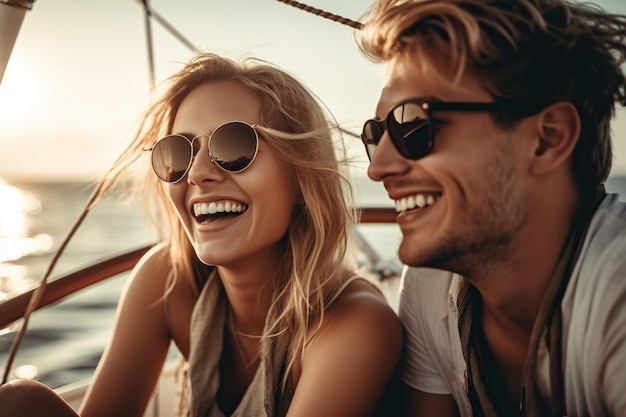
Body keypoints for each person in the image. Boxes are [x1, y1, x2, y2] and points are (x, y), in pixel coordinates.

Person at [0, 53, 402, 417]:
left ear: (302, 173)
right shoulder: (168, 279)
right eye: (179, 152)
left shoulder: (355, 325)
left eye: (234, 145)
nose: (197, 173)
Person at [355, 0, 626, 416]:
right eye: (377, 134)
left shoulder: (615, 296)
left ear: (547, 138)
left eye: (413, 125)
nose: (378, 167)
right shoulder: (432, 286)